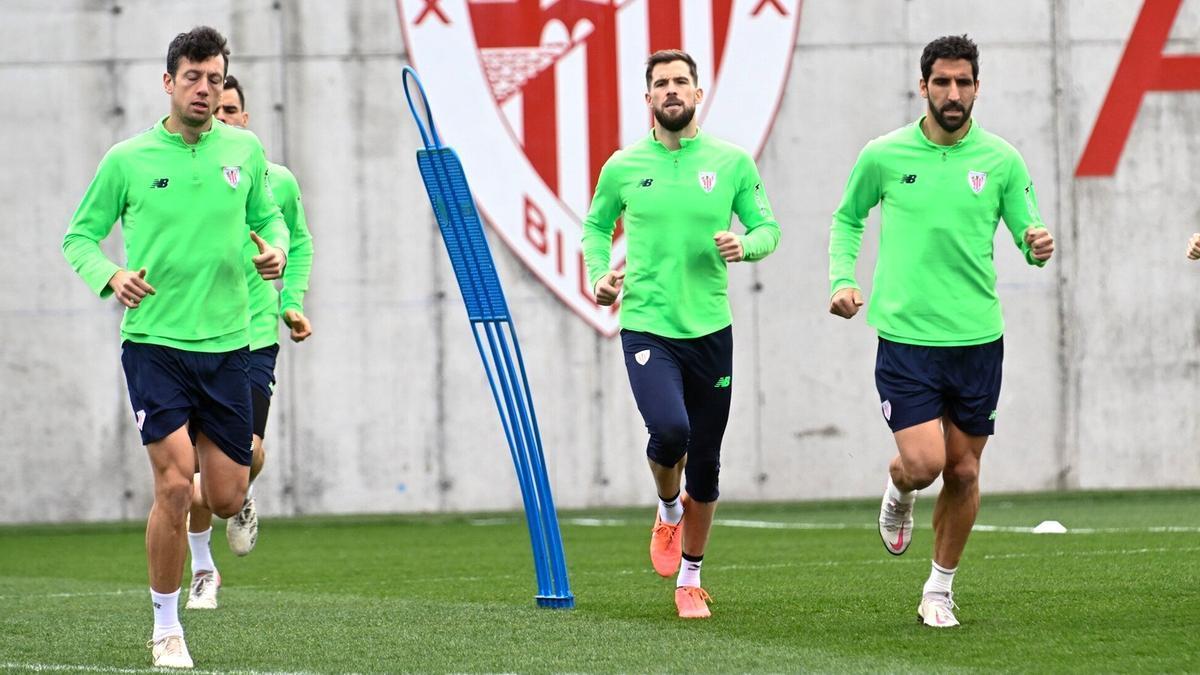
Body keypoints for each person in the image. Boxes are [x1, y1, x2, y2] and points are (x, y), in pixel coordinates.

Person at [62, 26, 289, 668]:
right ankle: (166, 627)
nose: (204, 89)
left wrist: (272, 247)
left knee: (220, 495)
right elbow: (78, 238)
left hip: (228, 347)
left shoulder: (243, 150)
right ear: (169, 82)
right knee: (171, 483)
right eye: (193, 77)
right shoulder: (127, 160)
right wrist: (111, 274)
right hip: (155, 345)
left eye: (215, 79)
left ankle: (232, 512)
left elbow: (269, 218)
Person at [827, 34, 1055, 628]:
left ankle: (939, 589)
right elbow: (848, 219)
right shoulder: (883, 154)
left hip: (978, 339)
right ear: (922, 84)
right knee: (925, 464)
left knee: (965, 471)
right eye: (942, 82)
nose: (952, 93)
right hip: (906, 338)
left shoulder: (1002, 159)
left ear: (977, 87)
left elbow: (1028, 233)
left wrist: (1037, 245)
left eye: (963, 82)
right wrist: (841, 280)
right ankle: (899, 488)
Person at [582, 49, 780, 619]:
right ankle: (668, 507)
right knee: (670, 431)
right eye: (661, 83)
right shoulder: (623, 165)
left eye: (681, 82)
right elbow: (596, 226)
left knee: (709, 462)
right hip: (647, 324)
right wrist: (600, 274)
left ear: (698, 94)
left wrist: (747, 246)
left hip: (711, 330)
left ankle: (690, 578)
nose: (671, 90)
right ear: (647, 98)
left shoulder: (732, 162)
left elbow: (768, 226)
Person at [182, 73, 315, 611]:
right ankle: (202, 570)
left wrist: (291, 300)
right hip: (188, 336)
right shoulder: (187, 171)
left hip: (254, 336)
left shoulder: (274, 180)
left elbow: (299, 241)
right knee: (186, 470)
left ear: (245, 116)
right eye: (220, 107)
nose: (225, 116)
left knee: (245, 456)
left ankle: (238, 497)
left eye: (234, 108)